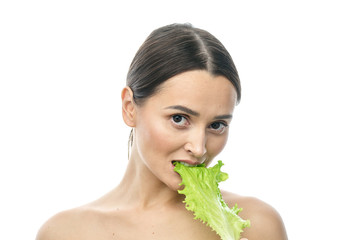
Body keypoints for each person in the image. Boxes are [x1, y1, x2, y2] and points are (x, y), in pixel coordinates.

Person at [36, 23, 287, 240]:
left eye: (217, 125)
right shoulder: (66, 232)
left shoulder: (255, 225)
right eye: (179, 119)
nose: (199, 148)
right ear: (129, 108)